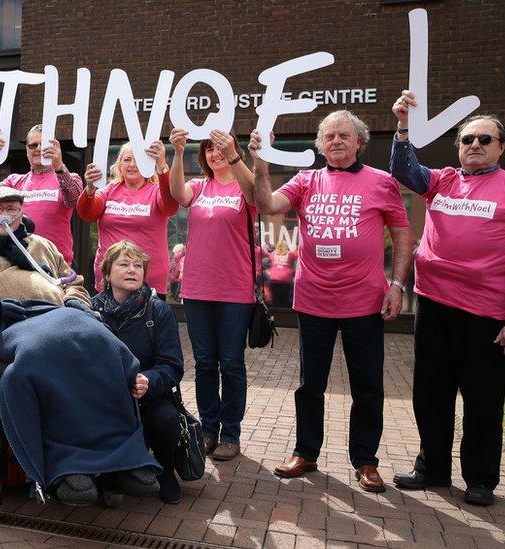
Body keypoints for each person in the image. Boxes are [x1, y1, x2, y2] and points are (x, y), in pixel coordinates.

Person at [0, 186, 160, 505]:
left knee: (106, 345)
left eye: (13, 207)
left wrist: (76, 301)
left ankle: (124, 460)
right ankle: (67, 466)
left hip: (61, 315)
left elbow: (74, 283)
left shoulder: (42, 246)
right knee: (45, 350)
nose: (6, 213)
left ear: (21, 213)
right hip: (9, 321)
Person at [246, 110, 413, 492]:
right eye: (329, 137)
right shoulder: (307, 180)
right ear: (320, 144)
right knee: (310, 384)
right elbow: (268, 205)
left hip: (365, 301)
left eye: (344, 136)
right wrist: (260, 165)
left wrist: (397, 284)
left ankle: (366, 461)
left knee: (367, 385)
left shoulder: (382, 182)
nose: (336, 141)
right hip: (314, 300)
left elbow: (402, 234)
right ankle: (306, 452)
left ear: (359, 142)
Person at [389, 91, 505, 506]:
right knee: (431, 392)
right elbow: (404, 171)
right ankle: (432, 468)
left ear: (501, 147)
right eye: (467, 140)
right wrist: (402, 126)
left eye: (484, 139)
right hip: (433, 305)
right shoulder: (443, 179)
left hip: (486, 314)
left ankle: (481, 479)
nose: (475, 146)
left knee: (482, 399)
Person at [167, 128, 256, 461]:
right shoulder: (200, 187)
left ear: (232, 149)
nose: (214, 154)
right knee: (205, 363)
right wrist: (177, 152)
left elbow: (257, 197)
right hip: (198, 288)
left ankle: (231, 433)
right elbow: (178, 193)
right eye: (208, 150)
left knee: (231, 363)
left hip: (235, 289)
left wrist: (234, 153)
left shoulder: (243, 184)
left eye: (220, 148)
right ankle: (207, 430)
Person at [92, 241, 184, 503]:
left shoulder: (159, 311)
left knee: (166, 419)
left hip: (146, 397)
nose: (132, 270)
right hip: (104, 397)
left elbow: (172, 365)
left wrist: (149, 381)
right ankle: (105, 472)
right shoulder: (90, 310)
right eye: (123, 264)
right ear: (107, 274)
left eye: (137, 265)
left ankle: (165, 470)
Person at [77, 141, 178, 297]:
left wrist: (162, 166)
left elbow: (171, 207)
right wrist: (90, 188)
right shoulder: (109, 190)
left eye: (138, 160)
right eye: (127, 160)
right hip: (110, 279)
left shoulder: (156, 191)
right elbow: (87, 213)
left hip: (149, 280)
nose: (132, 165)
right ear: (119, 165)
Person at [0, 125, 83, 265]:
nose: (38, 148)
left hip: (55, 262)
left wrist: (59, 166)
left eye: (44, 145)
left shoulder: (70, 177)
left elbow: (74, 201)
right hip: (17, 261)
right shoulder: (14, 181)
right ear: (27, 150)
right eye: (33, 145)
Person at [267, 238, 297, 308]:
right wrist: (295, 249)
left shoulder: (273, 254)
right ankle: (284, 314)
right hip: (286, 280)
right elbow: (298, 254)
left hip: (273, 279)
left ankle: (276, 314)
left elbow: (269, 257)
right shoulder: (290, 254)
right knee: (285, 299)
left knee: (275, 299)